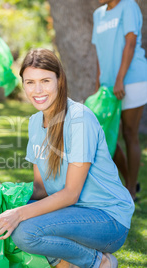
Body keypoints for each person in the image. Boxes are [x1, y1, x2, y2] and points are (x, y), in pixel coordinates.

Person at [0, 49, 134, 268]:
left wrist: (18, 213)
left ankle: (98, 262)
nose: (37, 90)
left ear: (59, 80)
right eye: (30, 82)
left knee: (25, 232)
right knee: (1, 212)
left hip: (108, 219)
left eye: (45, 80)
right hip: (71, 214)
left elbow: (71, 194)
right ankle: (67, 262)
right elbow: (41, 189)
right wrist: (6, 192)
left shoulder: (80, 119)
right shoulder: (35, 122)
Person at [92, 0, 147, 201]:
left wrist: (120, 79)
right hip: (108, 85)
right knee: (103, 135)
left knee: (129, 132)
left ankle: (131, 190)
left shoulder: (129, 6)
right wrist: (99, 83)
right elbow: (99, 52)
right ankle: (126, 183)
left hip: (132, 80)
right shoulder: (98, 14)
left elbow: (131, 43)